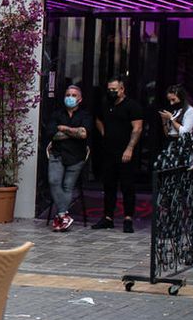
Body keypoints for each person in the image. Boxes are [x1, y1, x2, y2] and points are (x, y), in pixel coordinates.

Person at [93, 76, 143, 233]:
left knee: (127, 186)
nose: (111, 92)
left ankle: (128, 218)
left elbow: (137, 128)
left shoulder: (132, 106)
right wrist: (104, 133)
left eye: (114, 90)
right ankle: (108, 217)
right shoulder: (106, 104)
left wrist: (130, 148)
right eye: (109, 90)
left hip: (126, 152)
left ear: (122, 89)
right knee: (109, 185)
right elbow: (98, 119)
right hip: (109, 152)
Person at [45, 85, 93, 231]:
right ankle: (63, 215)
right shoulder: (57, 114)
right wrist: (74, 132)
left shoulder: (85, 115)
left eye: (73, 95)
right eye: (68, 95)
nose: (70, 98)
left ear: (80, 99)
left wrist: (64, 128)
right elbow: (52, 135)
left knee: (68, 185)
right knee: (54, 181)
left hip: (76, 156)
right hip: (57, 154)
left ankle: (61, 217)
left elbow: (83, 134)